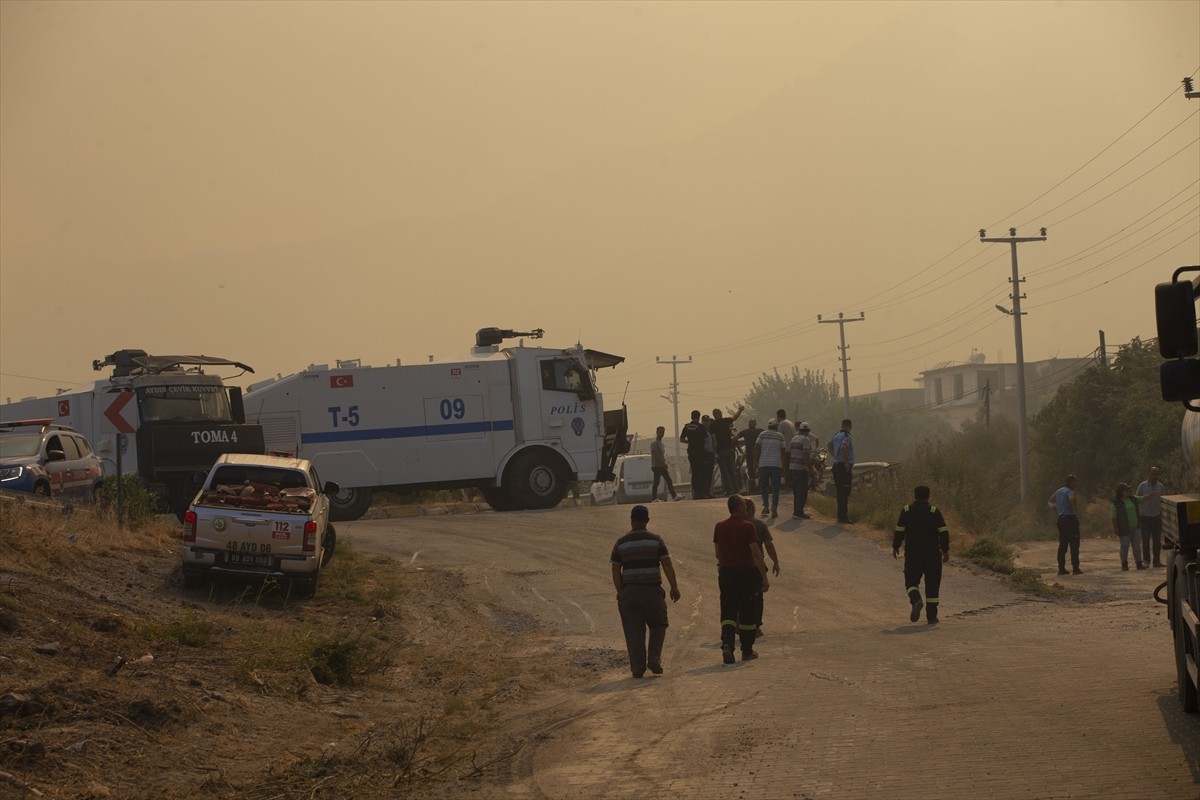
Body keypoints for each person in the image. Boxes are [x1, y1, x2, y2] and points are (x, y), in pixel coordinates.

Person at [611, 505, 681, 678]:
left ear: (631, 520)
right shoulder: (656, 540)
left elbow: (615, 570)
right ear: (647, 521)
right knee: (659, 625)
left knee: (634, 631)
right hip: (652, 591)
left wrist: (620, 591)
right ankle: (654, 658)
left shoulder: (620, 543)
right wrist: (674, 587)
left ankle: (637, 668)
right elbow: (667, 564)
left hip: (630, 593)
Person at [713, 495, 770, 663]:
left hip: (726, 574)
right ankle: (747, 650)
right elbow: (756, 553)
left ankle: (727, 646)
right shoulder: (748, 527)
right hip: (746, 574)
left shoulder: (719, 527)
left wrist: (725, 566)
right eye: (745, 505)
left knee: (728, 613)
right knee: (747, 614)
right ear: (738, 507)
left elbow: (717, 553)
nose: (747, 508)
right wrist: (764, 578)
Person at [892, 485, 950, 624]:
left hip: (913, 554)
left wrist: (896, 546)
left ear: (915, 495)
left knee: (911, 582)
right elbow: (943, 532)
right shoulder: (934, 511)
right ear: (928, 496)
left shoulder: (907, 510)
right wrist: (945, 550)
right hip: (932, 555)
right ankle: (931, 617)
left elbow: (899, 530)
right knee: (932, 584)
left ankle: (916, 599)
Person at [741, 499, 780, 638]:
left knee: (739, 596)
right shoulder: (759, 524)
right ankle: (755, 626)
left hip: (736, 566)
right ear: (752, 509)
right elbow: (768, 545)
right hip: (755, 566)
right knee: (757, 597)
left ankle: (738, 624)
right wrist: (775, 562)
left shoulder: (733, 525)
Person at [1049, 474, 1082, 575]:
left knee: (1063, 545)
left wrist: (1057, 510)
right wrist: (1073, 507)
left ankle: (1061, 568)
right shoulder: (1070, 491)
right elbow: (1071, 499)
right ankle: (1075, 568)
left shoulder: (1059, 491)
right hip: (1070, 520)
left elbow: (1050, 501)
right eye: (1075, 481)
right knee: (1074, 544)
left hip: (1061, 520)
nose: (1076, 483)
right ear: (1071, 482)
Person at [753, 419, 786, 518]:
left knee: (763, 486)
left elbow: (756, 447)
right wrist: (783, 464)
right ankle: (774, 508)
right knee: (776, 487)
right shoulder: (780, 436)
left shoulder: (762, 434)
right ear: (776, 427)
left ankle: (766, 506)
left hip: (763, 464)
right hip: (776, 465)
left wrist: (755, 461)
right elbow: (783, 451)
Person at [711, 405, 745, 496]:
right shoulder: (725, 421)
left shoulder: (713, 425)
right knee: (731, 469)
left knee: (724, 471)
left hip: (720, 450)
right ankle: (736, 488)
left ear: (714, 415)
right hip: (729, 448)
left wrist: (715, 453)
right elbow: (735, 417)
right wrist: (740, 410)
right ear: (720, 414)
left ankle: (729, 490)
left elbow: (714, 440)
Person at [1135, 466, 1165, 568]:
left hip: (1156, 517)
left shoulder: (1160, 486)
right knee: (1146, 540)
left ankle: (1157, 561)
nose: (1154, 476)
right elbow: (1136, 500)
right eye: (1153, 474)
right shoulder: (1142, 486)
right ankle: (1146, 561)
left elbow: (1163, 501)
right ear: (1148, 474)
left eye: (1156, 474)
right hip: (1145, 517)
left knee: (1157, 541)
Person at [1111, 483, 1145, 571]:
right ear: (1121, 492)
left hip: (1136, 526)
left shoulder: (1133, 499)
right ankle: (1124, 564)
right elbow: (1113, 517)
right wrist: (1115, 528)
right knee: (1124, 546)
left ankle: (1139, 563)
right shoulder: (1115, 503)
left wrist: (1153, 494)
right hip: (1124, 528)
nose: (1128, 491)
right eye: (1126, 490)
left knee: (1136, 546)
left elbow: (1143, 499)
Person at [679, 410, 711, 500]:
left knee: (695, 472)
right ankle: (702, 492)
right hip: (700, 452)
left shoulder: (687, 426)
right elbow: (706, 440)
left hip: (691, 452)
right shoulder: (700, 427)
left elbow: (681, 439)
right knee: (702, 472)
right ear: (698, 417)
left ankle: (696, 493)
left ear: (691, 416)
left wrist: (689, 441)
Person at [829, 419, 855, 523]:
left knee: (840, 491)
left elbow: (829, 445)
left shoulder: (836, 435)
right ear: (849, 426)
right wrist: (846, 463)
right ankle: (843, 516)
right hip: (843, 468)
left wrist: (835, 456)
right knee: (845, 491)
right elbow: (843, 448)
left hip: (836, 465)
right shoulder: (846, 437)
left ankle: (840, 515)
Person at [789, 422, 814, 519]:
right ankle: (799, 512)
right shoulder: (806, 439)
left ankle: (796, 510)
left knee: (796, 491)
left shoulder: (794, 438)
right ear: (808, 431)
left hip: (792, 467)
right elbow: (806, 455)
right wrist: (810, 469)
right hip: (801, 469)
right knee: (802, 491)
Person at [650, 426, 681, 502]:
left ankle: (674, 496)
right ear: (657, 432)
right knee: (656, 482)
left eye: (663, 432)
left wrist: (665, 463)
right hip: (657, 466)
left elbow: (662, 454)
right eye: (660, 432)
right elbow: (656, 454)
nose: (662, 434)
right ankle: (654, 498)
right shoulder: (654, 443)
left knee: (668, 480)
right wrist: (663, 463)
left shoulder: (661, 443)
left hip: (662, 465)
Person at [734, 418, 762, 492]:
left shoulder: (760, 431)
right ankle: (753, 489)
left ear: (755, 423)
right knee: (751, 472)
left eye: (752, 422)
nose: (750, 424)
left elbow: (768, 435)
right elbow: (735, 438)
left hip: (759, 454)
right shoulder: (745, 432)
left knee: (761, 471)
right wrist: (738, 447)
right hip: (749, 455)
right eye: (749, 422)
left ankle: (761, 488)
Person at [775, 410, 796, 486]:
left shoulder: (781, 424)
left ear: (778, 416)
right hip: (792, 448)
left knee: (785, 467)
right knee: (790, 467)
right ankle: (791, 484)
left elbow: (777, 436)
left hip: (786, 449)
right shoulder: (790, 423)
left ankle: (788, 484)